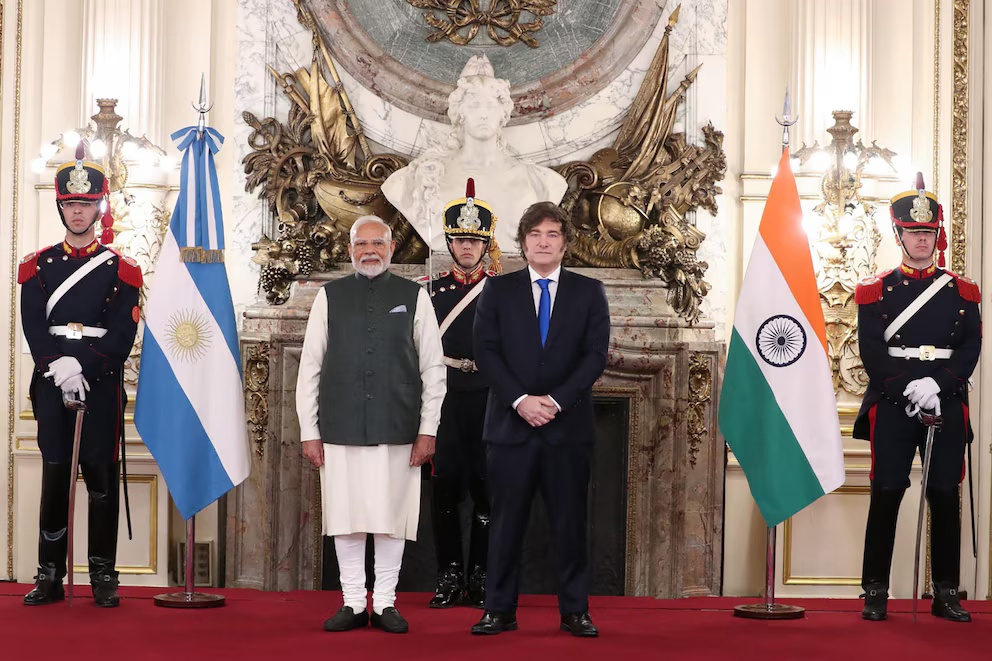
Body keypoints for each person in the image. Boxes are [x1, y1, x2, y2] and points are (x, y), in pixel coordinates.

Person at [296, 215, 446, 634]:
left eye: (377, 243)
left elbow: (433, 368)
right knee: (345, 517)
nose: (369, 251)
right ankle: (352, 602)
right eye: (361, 244)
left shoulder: (415, 296)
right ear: (350, 250)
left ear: (392, 248)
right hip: (339, 425)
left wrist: (428, 429)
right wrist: (309, 431)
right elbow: (310, 367)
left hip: (398, 425)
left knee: (390, 517)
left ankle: (384, 603)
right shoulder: (329, 296)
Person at [470, 201, 610, 637]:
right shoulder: (498, 290)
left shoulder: (589, 291)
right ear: (523, 243)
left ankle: (575, 611)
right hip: (510, 429)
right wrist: (520, 401)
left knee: (570, 525)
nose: (543, 242)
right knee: (505, 524)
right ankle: (499, 610)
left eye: (552, 234)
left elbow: (595, 355)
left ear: (565, 243)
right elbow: (485, 351)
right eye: (535, 234)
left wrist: (554, 400)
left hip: (567, 429)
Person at [18, 142, 142, 608]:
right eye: (70, 204)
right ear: (60, 207)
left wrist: (82, 365)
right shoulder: (37, 266)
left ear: (99, 208)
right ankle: (49, 575)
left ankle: (103, 576)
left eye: (86, 204)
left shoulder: (121, 269)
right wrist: (58, 366)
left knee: (101, 480)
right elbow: (34, 326)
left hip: (100, 385)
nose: (77, 212)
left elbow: (122, 334)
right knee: (55, 477)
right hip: (52, 385)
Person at [853, 173, 980, 622]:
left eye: (928, 232)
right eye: (913, 232)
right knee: (886, 491)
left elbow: (970, 347)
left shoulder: (962, 290)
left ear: (936, 234)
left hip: (944, 399)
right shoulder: (875, 290)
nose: (921, 240)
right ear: (899, 234)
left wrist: (938, 386)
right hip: (893, 402)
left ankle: (945, 592)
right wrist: (908, 387)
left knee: (944, 493)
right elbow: (871, 351)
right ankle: (875, 590)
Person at [381, 55, 567, 254]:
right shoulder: (423, 176)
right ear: (460, 113)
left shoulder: (541, 182)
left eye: (491, 105)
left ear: (503, 114)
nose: (483, 114)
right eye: (474, 105)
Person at [424, 178, 500, 609]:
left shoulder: (503, 291)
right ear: (449, 243)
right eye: (459, 239)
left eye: (474, 240)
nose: (467, 247)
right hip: (446, 398)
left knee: (488, 490)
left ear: (486, 243)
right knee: (446, 490)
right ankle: (450, 576)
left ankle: (482, 576)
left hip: (490, 397)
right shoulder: (429, 292)